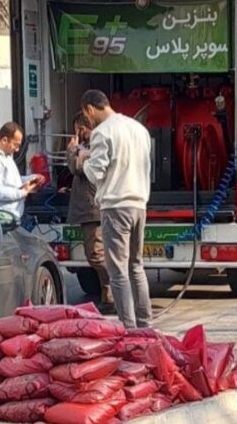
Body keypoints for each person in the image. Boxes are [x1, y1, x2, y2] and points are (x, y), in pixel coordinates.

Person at [80, 89, 152, 329]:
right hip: (139, 205)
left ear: (90, 109)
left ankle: (128, 328)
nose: (88, 120)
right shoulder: (139, 129)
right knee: (136, 266)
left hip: (115, 206)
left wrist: (84, 159)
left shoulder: (103, 132)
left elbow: (95, 173)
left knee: (118, 271)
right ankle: (145, 325)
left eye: (86, 115)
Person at [66, 111, 113, 308]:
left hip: (92, 208)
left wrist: (71, 150)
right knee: (96, 253)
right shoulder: (89, 147)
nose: (77, 134)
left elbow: (76, 167)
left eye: (79, 130)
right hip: (89, 207)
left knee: (95, 253)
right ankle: (108, 293)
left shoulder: (94, 148)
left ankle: (113, 288)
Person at [0, 122, 45, 218]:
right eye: (15, 145)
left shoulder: (5, 157)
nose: (17, 149)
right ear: (4, 140)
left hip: (12, 215)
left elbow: (12, 181)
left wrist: (31, 179)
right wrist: (22, 192)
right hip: (3, 217)